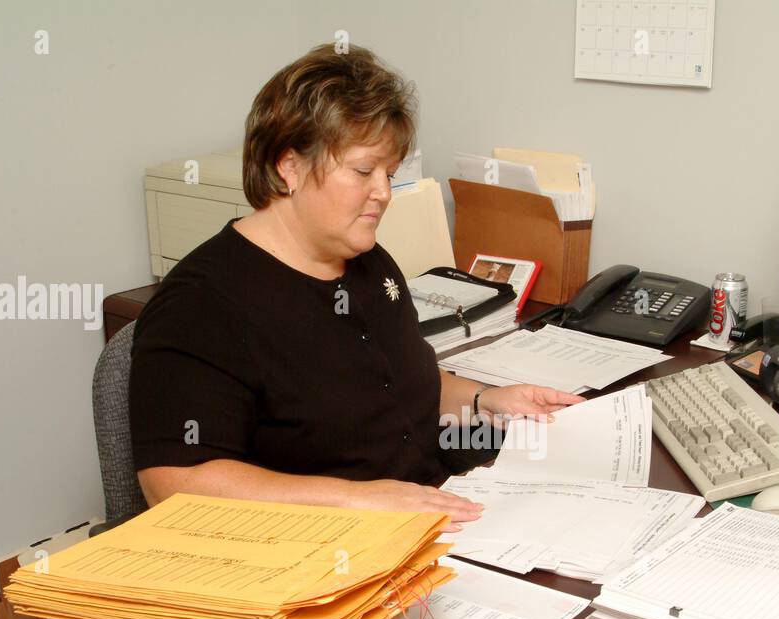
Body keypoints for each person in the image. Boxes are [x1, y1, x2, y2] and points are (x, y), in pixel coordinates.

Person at [129, 45, 582, 530]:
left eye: (388, 174)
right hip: (321, 555)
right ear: (290, 167)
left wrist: (483, 399)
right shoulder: (202, 304)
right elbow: (174, 485)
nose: (384, 192)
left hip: (438, 519)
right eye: (364, 171)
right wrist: (356, 501)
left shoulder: (368, 263)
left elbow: (396, 388)